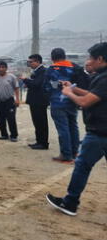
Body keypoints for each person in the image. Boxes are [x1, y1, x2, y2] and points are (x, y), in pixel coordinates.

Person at [46, 42, 107, 216]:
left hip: (100, 132)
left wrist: (69, 93)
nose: (88, 62)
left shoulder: (104, 78)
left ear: (100, 59)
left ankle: (70, 202)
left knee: (81, 166)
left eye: (91, 58)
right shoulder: (101, 77)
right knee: (81, 162)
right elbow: (91, 95)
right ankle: (70, 201)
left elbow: (85, 102)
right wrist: (72, 87)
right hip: (100, 130)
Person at [44, 48, 89, 163]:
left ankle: (66, 155)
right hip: (73, 100)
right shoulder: (75, 67)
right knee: (73, 126)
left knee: (63, 128)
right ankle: (75, 152)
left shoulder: (51, 69)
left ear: (52, 57)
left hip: (57, 102)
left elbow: (47, 87)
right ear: (64, 56)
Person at [21, 54, 49, 150]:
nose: (29, 64)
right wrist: (28, 82)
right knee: (37, 122)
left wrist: (25, 80)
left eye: (31, 62)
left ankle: (43, 143)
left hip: (39, 101)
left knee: (41, 122)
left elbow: (36, 84)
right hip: (35, 101)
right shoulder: (36, 71)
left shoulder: (43, 71)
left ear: (37, 62)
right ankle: (39, 141)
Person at [0, 61, 20, 141]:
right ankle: (4, 134)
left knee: (11, 119)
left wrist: (17, 99)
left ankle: (13, 135)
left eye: (3, 67)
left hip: (9, 101)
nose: (1, 69)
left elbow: (16, 88)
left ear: (6, 68)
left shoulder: (11, 77)